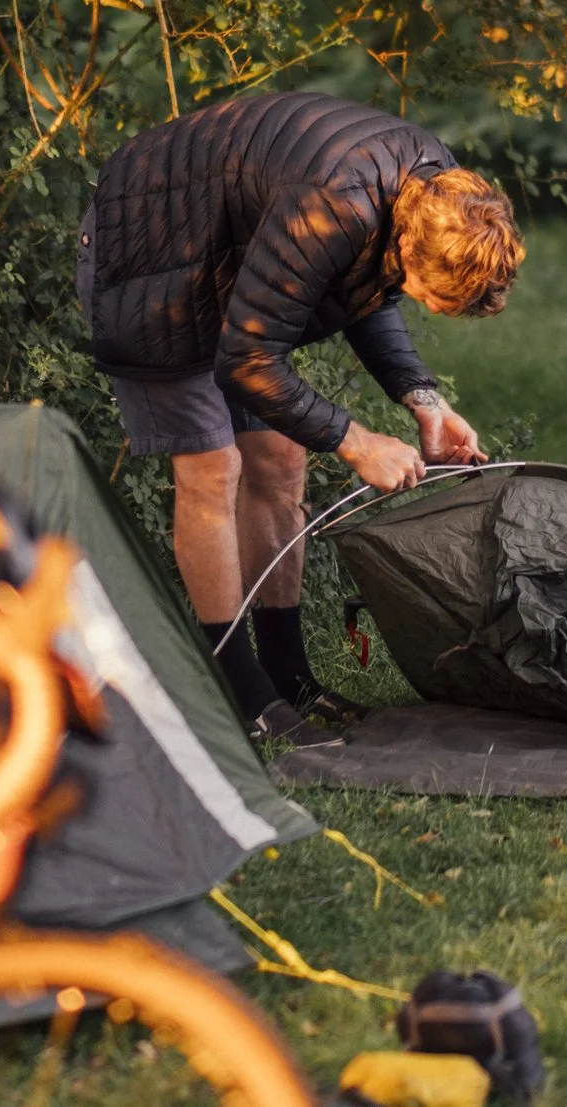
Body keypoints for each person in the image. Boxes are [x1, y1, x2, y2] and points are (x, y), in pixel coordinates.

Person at [79, 91, 525, 739]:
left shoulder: (438, 191)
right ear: (409, 243)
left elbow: (371, 290)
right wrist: (357, 442)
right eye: (431, 295)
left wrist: (426, 402)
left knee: (282, 459)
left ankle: (287, 677)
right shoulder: (336, 203)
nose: (428, 307)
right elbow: (247, 360)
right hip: (150, 244)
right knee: (212, 466)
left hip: (230, 253)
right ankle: (238, 692)